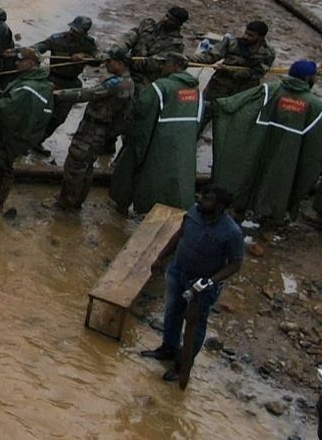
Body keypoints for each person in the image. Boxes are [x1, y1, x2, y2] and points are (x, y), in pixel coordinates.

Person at [138, 186, 245, 386]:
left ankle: (182, 365)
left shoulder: (231, 232)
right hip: (178, 270)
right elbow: (179, 235)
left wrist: (211, 281)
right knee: (172, 311)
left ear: (220, 206)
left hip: (202, 284)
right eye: (202, 197)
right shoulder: (194, 212)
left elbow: (235, 264)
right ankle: (168, 348)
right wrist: (161, 258)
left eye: (208, 199)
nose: (201, 201)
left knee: (195, 325)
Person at [208, 59, 321, 224]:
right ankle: (270, 215)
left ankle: (240, 209)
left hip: (256, 148)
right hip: (287, 158)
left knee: (248, 176)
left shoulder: (269, 90)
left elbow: (233, 106)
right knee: (278, 183)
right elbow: (314, 149)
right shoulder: (316, 106)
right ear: (308, 78)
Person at [110, 52, 204, 214]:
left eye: (165, 63)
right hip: (179, 146)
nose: (161, 66)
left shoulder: (161, 86)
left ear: (175, 66)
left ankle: (122, 205)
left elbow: (141, 111)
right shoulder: (196, 92)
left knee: (130, 168)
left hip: (151, 138)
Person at [55, 50, 136, 211]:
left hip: (92, 129)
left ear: (120, 64)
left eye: (110, 61)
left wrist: (60, 94)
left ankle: (66, 203)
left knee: (75, 165)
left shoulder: (116, 84)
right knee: (87, 166)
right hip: (102, 130)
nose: (106, 63)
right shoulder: (129, 83)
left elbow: (88, 94)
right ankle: (76, 201)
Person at [0, 49, 54, 206]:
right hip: (27, 134)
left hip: (15, 135)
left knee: (2, 165)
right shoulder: (42, 84)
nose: (16, 63)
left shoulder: (28, 88)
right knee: (5, 165)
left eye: (20, 60)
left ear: (30, 63)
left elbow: (7, 109)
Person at [198, 20, 274, 132]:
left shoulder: (268, 53)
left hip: (241, 95)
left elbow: (257, 73)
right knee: (202, 118)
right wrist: (188, 59)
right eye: (246, 33)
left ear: (261, 37)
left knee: (229, 128)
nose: (245, 36)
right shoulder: (232, 43)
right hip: (217, 90)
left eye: (250, 35)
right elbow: (210, 57)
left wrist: (230, 70)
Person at [33, 15, 99, 138]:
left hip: (71, 83)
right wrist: (34, 54)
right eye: (72, 29)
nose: (72, 33)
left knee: (59, 118)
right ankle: (28, 140)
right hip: (52, 79)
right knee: (40, 113)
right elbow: (37, 48)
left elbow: (99, 59)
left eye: (77, 32)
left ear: (84, 33)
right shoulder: (57, 39)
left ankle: (39, 141)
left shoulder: (88, 44)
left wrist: (85, 56)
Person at [121, 7, 189, 83]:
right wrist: (120, 49)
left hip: (144, 77)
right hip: (125, 66)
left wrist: (126, 61)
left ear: (178, 24)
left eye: (171, 19)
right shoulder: (148, 25)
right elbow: (131, 36)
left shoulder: (176, 45)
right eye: (166, 16)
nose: (165, 19)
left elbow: (153, 64)